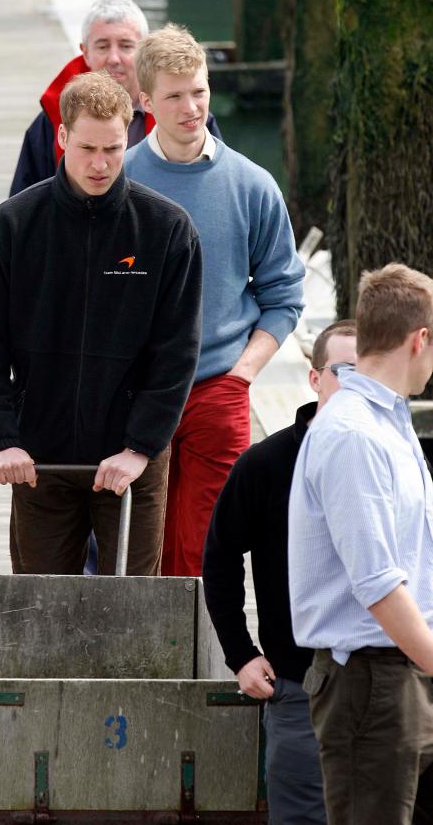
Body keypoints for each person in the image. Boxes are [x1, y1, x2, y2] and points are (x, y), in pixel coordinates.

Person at [0, 70, 202, 576]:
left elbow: (177, 353)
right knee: (39, 611)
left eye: (113, 149)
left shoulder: (167, 230)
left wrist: (141, 447)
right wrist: (0, 439)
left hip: (130, 458)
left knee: (132, 612)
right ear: (62, 137)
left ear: (130, 136)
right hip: (38, 457)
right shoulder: (12, 226)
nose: (100, 164)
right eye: (87, 148)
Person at [125, 23, 305, 576]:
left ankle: (203, 660)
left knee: (206, 551)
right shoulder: (120, 182)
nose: (190, 107)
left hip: (219, 388)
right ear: (145, 101)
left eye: (198, 91)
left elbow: (284, 294)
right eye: (174, 95)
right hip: (134, 390)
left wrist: (243, 375)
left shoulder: (253, 185)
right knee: (135, 548)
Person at [288, 263, 433, 825]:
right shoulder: (354, 433)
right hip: (371, 684)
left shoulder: (388, 424)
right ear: (419, 339)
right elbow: (376, 583)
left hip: (401, 673)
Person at [203, 320, 357, 825]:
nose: (358, 385)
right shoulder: (265, 465)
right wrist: (241, 654)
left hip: (389, 686)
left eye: (371, 372)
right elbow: (221, 556)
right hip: (299, 685)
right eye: (345, 371)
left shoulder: (400, 458)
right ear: (314, 379)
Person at [9, 0, 221, 195]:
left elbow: (218, 178)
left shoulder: (187, 114)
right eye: (102, 46)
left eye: (126, 46)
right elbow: (24, 204)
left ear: (143, 52)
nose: (113, 58)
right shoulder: (53, 118)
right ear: (85, 52)